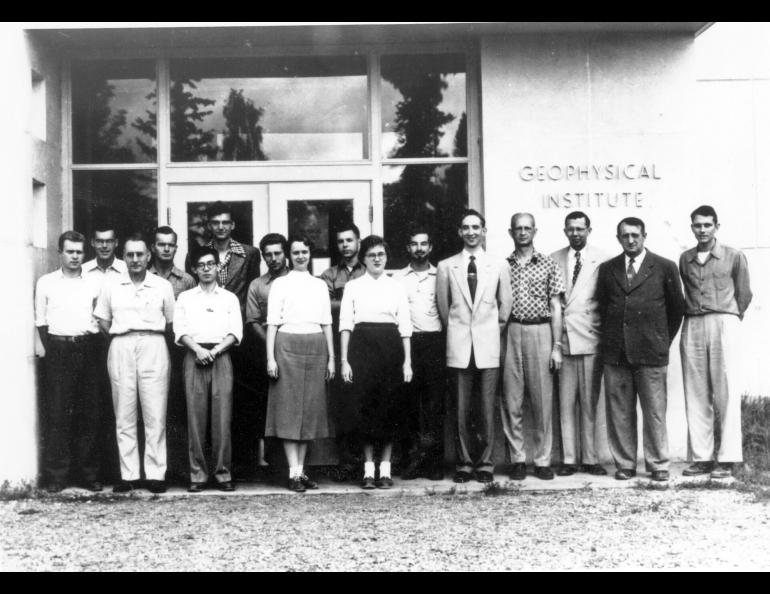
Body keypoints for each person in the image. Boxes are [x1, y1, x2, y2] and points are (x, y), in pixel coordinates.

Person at [596, 217, 685, 482]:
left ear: (645, 235)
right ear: (618, 238)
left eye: (635, 235)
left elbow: (677, 309)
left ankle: (658, 464)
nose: (631, 240)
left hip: (651, 353)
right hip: (617, 353)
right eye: (625, 236)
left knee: (655, 411)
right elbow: (602, 307)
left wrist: (660, 340)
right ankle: (625, 463)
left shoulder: (665, 267)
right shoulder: (608, 269)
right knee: (620, 412)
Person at [94, 233, 176, 494]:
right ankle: (128, 474)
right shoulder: (112, 284)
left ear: (148, 256)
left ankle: (155, 474)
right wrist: (123, 337)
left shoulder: (162, 286)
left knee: (155, 413)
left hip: (153, 344)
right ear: (124, 257)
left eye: (140, 254)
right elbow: (103, 321)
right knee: (124, 412)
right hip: (121, 345)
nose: (135, 259)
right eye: (130, 255)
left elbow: (172, 321)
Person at [679, 205, 753, 479]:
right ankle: (702, 457)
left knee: (727, 389)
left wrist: (729, 317)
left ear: (716, 227)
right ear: (692, 228)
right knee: (695, 391)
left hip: (724, 321)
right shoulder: (685, 258)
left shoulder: (733, 255)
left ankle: (728, 457)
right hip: (693, 323)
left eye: (707, 225)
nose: (702, 230)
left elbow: (744, 293)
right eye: (697, 225)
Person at [436, 210, 508, 484]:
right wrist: (460, 331)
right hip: (459, 345)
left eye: (476, 227)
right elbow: (445, 309)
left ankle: (486, 464)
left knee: (487, 408)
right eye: (466, 227)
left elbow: (505, 307)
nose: (471, 232)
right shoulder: (447, 266)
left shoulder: (498, 264)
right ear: (459, 232)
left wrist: (488, 332)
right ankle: (465, 463)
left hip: (488, 344)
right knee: (461, 409)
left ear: (484, 231)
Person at [340, 236, 413, 489]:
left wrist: (407, 362)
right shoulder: (353, 286)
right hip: (362, 349)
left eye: (381, 254)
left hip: (390, 349)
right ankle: (368, 470)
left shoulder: (396, 287)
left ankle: (386, 469)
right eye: (371, 255)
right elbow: (346, 325)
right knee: (365, 408)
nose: (377, 259)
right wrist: (344, 360)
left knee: (389, 408)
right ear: (363, 259)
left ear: (387, 256)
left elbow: (405, 326)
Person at [196, 201, 261, 479]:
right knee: (207, 404)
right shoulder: (201, 254)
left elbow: (254, 291)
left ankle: (243, 465)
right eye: (215, 222)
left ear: (232, 225)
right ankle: (209, 466)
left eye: (226, 222)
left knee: (240, 401)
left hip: (238, 339)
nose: (221, 227)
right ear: (209, 225)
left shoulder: (248, 253)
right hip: (207, 338)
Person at [265, 236, 335, 492]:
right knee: (288, 410)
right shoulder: (280, 284)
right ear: (288, 255)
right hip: (287, 345)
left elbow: (327, 321)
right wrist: (270, 358)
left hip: (315, 345)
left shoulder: (319, 285)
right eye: (295, 252)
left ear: (310, 253)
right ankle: (293, 473)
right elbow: (272, 323)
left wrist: (332, 358)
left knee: (309, 411)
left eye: (305, 251)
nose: (301, 256)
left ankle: (300, 471)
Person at [499, 213, 566, 481]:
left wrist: (557, 345)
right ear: (511, 232)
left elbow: (556, 308)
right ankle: (517, 459)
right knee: (511, 399)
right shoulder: (503, 266)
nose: (523, 232)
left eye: (528, 228)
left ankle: (542, 460)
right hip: (512, 331)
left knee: (542, 401)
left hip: (542, 331)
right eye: (518, 228)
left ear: (535, 231)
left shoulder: (549, 264)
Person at [35, 231, 102, 492]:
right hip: (58, 350)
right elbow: (41, 321)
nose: (75, 256)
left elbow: (99, 317)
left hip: (87, 349)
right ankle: (57, 476)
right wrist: (51, 351)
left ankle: (88, 474)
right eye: (70, 251)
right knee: (57, 413)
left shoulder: (94, 283)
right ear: (60, 253)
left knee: (89, 413)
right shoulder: (46, 282)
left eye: (79, 252)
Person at [174, 247, 242, 492]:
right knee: (196, 417)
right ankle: (198, 474)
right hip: (194, 356)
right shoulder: (185, 298)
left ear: (218, 267)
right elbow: (179, 330)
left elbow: (235, 331)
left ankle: (223, 473)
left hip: (221, 357)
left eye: (210, 264)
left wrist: (216, 351)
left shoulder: (229, 298)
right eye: (201, 265)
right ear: (194, 269)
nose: (206, 269)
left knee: (222, 418)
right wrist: (198, 350)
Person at [550, 212, 610, 477]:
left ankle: (590, 458)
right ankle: (569, 459)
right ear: (565, 231)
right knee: (565, 403)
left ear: (589, 230)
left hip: (590, 339)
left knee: (589, 403)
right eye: (571, 229)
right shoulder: (552, 259)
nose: (575, 234)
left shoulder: (604, 259)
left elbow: (609, 302)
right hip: (563, 339)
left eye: (580, 229)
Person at [392, 227, 446, 480]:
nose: (419, 249)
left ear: (431, 247)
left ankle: (434, 463)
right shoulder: (398, 278)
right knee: (408, 405)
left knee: (435, 405)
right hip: (409, 343)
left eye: (423, 244)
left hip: (435, 342)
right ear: (407, 248)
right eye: (414, 244)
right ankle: (411, 460)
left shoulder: (441, 274)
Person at [149, 226, 196, 484]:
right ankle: (154, 469)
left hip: (178, 351)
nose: (166, 249)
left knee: (177, 408)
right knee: (152, 409)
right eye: (161, 244)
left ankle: (177, 467)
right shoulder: (144, 276)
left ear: (176, 248)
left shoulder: (187, 280)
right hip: (152, 348)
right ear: (153, 247)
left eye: (171, 245)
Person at [320, 223, 365, 480]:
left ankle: (367, 463)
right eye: (340, 241)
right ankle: (347, 462)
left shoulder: (368, 269)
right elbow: (327, 307)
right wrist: (356, 301)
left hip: (366, 341)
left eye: (349, 240)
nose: (345, 245)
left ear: (358, 242)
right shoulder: (328, 275)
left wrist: (344, 300)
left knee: (366, 401)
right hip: (339, 343)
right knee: (343, 405)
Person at [83, 221, 127, 485]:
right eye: (99, 240)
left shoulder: (126, 269)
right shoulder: (84, 271)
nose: (103, 245)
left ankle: (120, 471)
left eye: (108, 240)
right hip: (93, 345)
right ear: (92, 243)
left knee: (122, 407)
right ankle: (96, 471)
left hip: (119, 341)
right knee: (96, 407)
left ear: (116, 242)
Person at [246, 233, 290, 473]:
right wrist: (272, 347)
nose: (273, 259)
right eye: (268, 254)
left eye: (278, 253)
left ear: (285, 254)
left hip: (295, 350)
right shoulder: (257, 285)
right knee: (267, 406)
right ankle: (269, 463)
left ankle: (292, 463)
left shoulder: (297, 281)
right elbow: (253, 321)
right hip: (267, 352)